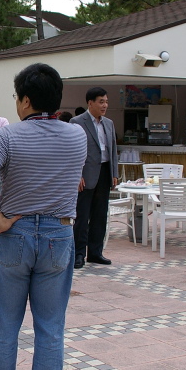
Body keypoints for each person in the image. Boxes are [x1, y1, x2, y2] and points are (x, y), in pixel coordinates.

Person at [0, 62, 87, 370]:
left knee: (4, 325)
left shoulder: (7, 136)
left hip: (15, 234)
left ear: (25, 100)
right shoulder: (77, 135)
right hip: (59, 234)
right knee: (51, 327)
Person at [71, 88, 119, 268]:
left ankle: (95, 252)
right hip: (86, 175)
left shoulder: (109, 123)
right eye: (101, 102)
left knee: (100, 215)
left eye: (106, 101)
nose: (104, 105)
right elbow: (73, 151)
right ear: (90, 103)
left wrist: (114, 173)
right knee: (82, 217)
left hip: (105, 173)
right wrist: (77, 174)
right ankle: (78, 254)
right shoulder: (77, 122)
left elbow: (113, 149)